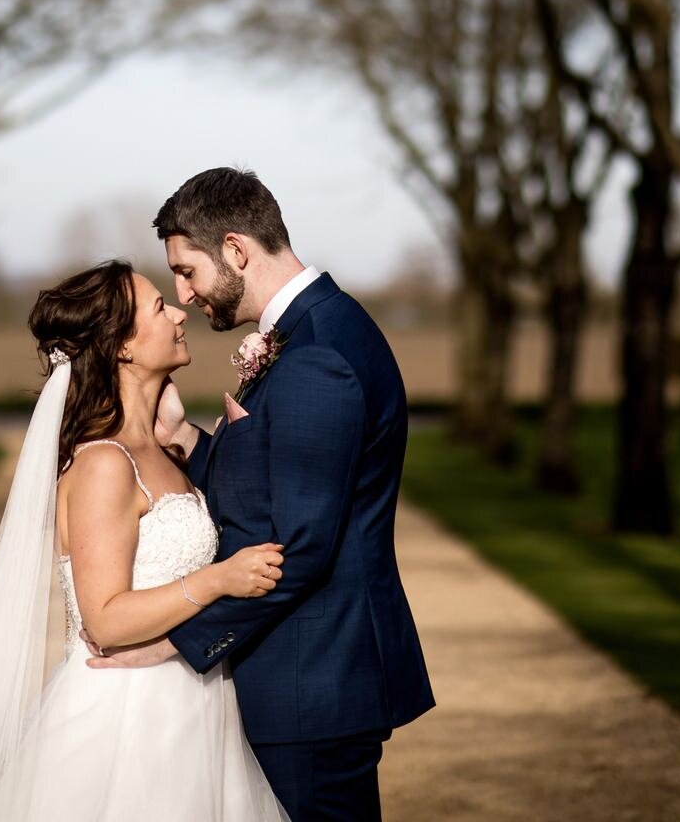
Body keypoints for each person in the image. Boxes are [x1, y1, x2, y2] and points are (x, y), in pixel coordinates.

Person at [92, 167, 435, 821]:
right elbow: (292, 490)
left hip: (310, 681)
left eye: (188, 271)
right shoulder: (313, 333)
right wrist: (193, 445)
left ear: (237, 250)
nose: (184, 296)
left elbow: (299, 547)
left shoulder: (315, 356)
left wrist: (175, 640)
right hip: (309, 678)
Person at [0, 258, 290, 821]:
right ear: (122, 346)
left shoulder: (159, 453)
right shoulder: (104, 465)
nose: (179, 311)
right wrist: (219, 578)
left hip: (195, 706)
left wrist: (176, 426)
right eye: (159, 307)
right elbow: (107, 620)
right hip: (129, 719)